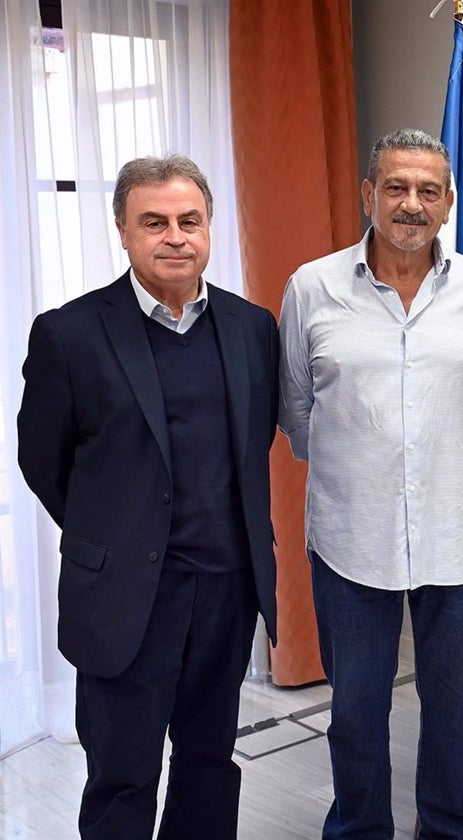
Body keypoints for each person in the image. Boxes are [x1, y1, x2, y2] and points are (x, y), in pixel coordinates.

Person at [17, 155, 279, 839]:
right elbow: (42, 460)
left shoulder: (252, 328)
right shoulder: (69, 334)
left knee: (209, 763)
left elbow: (256, 447)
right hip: (128, 597)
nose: (174, 236)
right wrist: (114, 535)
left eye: (189, 221)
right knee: (123, 774)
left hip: (227, 590)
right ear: (124, 232)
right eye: (154, 222)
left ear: (208, 228)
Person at [278, 128, 463, 840]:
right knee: (355, 711)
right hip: (352, 540)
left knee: (453, 710)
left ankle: (447, 830)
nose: (410, 204)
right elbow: (297, 410)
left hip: (456, 536)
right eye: (395, 187)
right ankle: (359, 831)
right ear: (368, 195)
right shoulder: (311, 287)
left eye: (427, 191)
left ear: (447, 204)